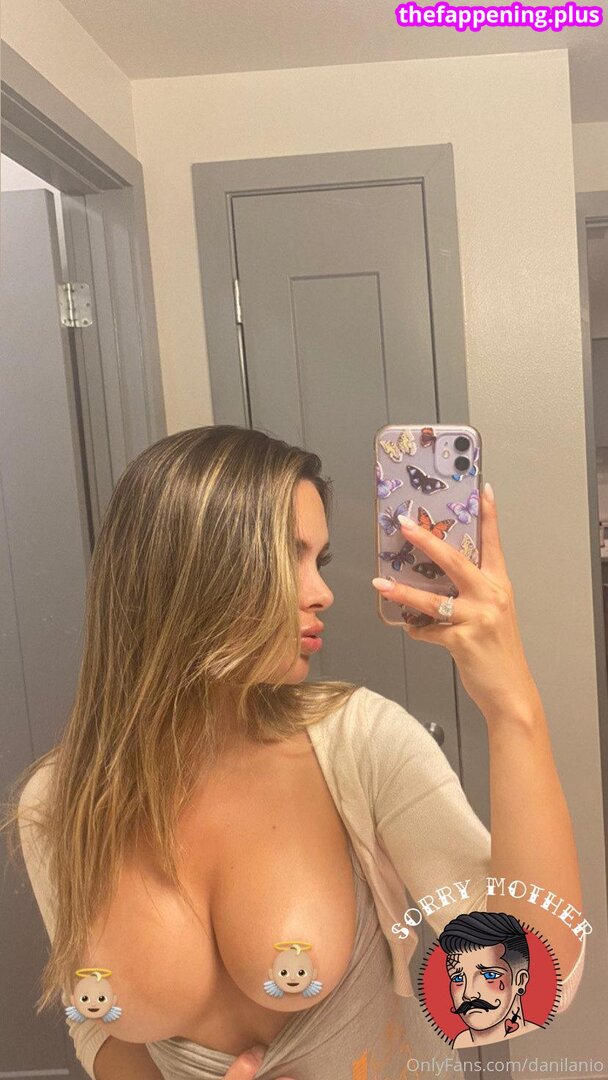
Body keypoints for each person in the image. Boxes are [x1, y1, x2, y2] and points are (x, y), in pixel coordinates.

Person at [4, 425, 585, 1080]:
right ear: (186, 569)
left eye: (319, 562)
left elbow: (537, 983)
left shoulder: (359, 743)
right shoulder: (61, 801)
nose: (321, 592)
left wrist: (513, 710)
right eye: (289, 556)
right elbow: (93, 1020)